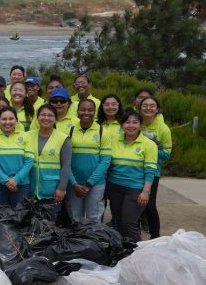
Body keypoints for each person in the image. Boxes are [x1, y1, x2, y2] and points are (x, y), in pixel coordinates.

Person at [106, 111, 157, 242]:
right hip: (114, 187)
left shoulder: (149, 144)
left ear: (140, 125)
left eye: (135, 122)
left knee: (129, 222)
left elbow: (150, 170)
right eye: (127, 122)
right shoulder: (114, 141)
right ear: (122, 125)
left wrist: (145, 192)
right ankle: (123, 252)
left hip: (136, 189)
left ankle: (139, 254)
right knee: (118, 221)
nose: (131, 125)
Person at [66, 99, 111, 224]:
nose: (86, 112)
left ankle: (94, 243)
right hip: (74, 184)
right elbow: (65, 161)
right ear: (77, 111)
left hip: (96, 185)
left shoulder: (103, 132)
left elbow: (105, 161)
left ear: (95, 112)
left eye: (90, 110)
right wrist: (74, 183)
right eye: (83, 109)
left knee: (94, 219)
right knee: (75, 218)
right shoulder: (70, 131)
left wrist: (90, 183)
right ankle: (78, 243)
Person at [0, 107, 35, 207]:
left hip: (21, 185)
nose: (7, 122)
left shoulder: (26, 136)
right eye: (3, 119)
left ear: (16, 121)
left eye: (11, 119)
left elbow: (29, 161)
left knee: (19, 217)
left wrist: (16, 179)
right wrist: (6, 181)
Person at [139, 95, 172, 238]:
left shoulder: (163, 129)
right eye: (145, 105)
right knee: (134, 204)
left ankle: (155, 236)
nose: (148, 108)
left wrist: (152, 150)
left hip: (152, 171)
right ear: (139, 108)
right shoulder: (136, 123)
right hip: (134, 170)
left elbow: (166, 155)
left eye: (152, 106)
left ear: (157, 109)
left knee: (149, 205)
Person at [29, 104, 71, 209]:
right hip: (29, 188)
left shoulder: (63, 139)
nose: (46, 118)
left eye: (50, 115)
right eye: (43, 115)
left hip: (52, 189)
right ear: (37, 118)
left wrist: (62, 188)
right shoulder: (27, 136)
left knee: (50, 223)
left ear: (55, 119)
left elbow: (66, 165)